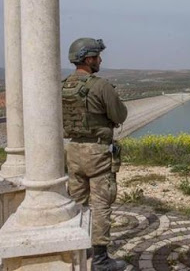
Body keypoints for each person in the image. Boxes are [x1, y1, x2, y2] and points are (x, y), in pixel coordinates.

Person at [62, 38, 128, 271]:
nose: (100, 60)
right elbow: (119, 115)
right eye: (97, 56)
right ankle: (99, 260)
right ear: (88, 59)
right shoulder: (100, 86)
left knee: (77, 201)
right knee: (101, 204)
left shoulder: (63, 85)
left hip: (72, 150)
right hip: (97, 153)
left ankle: (79, 250)